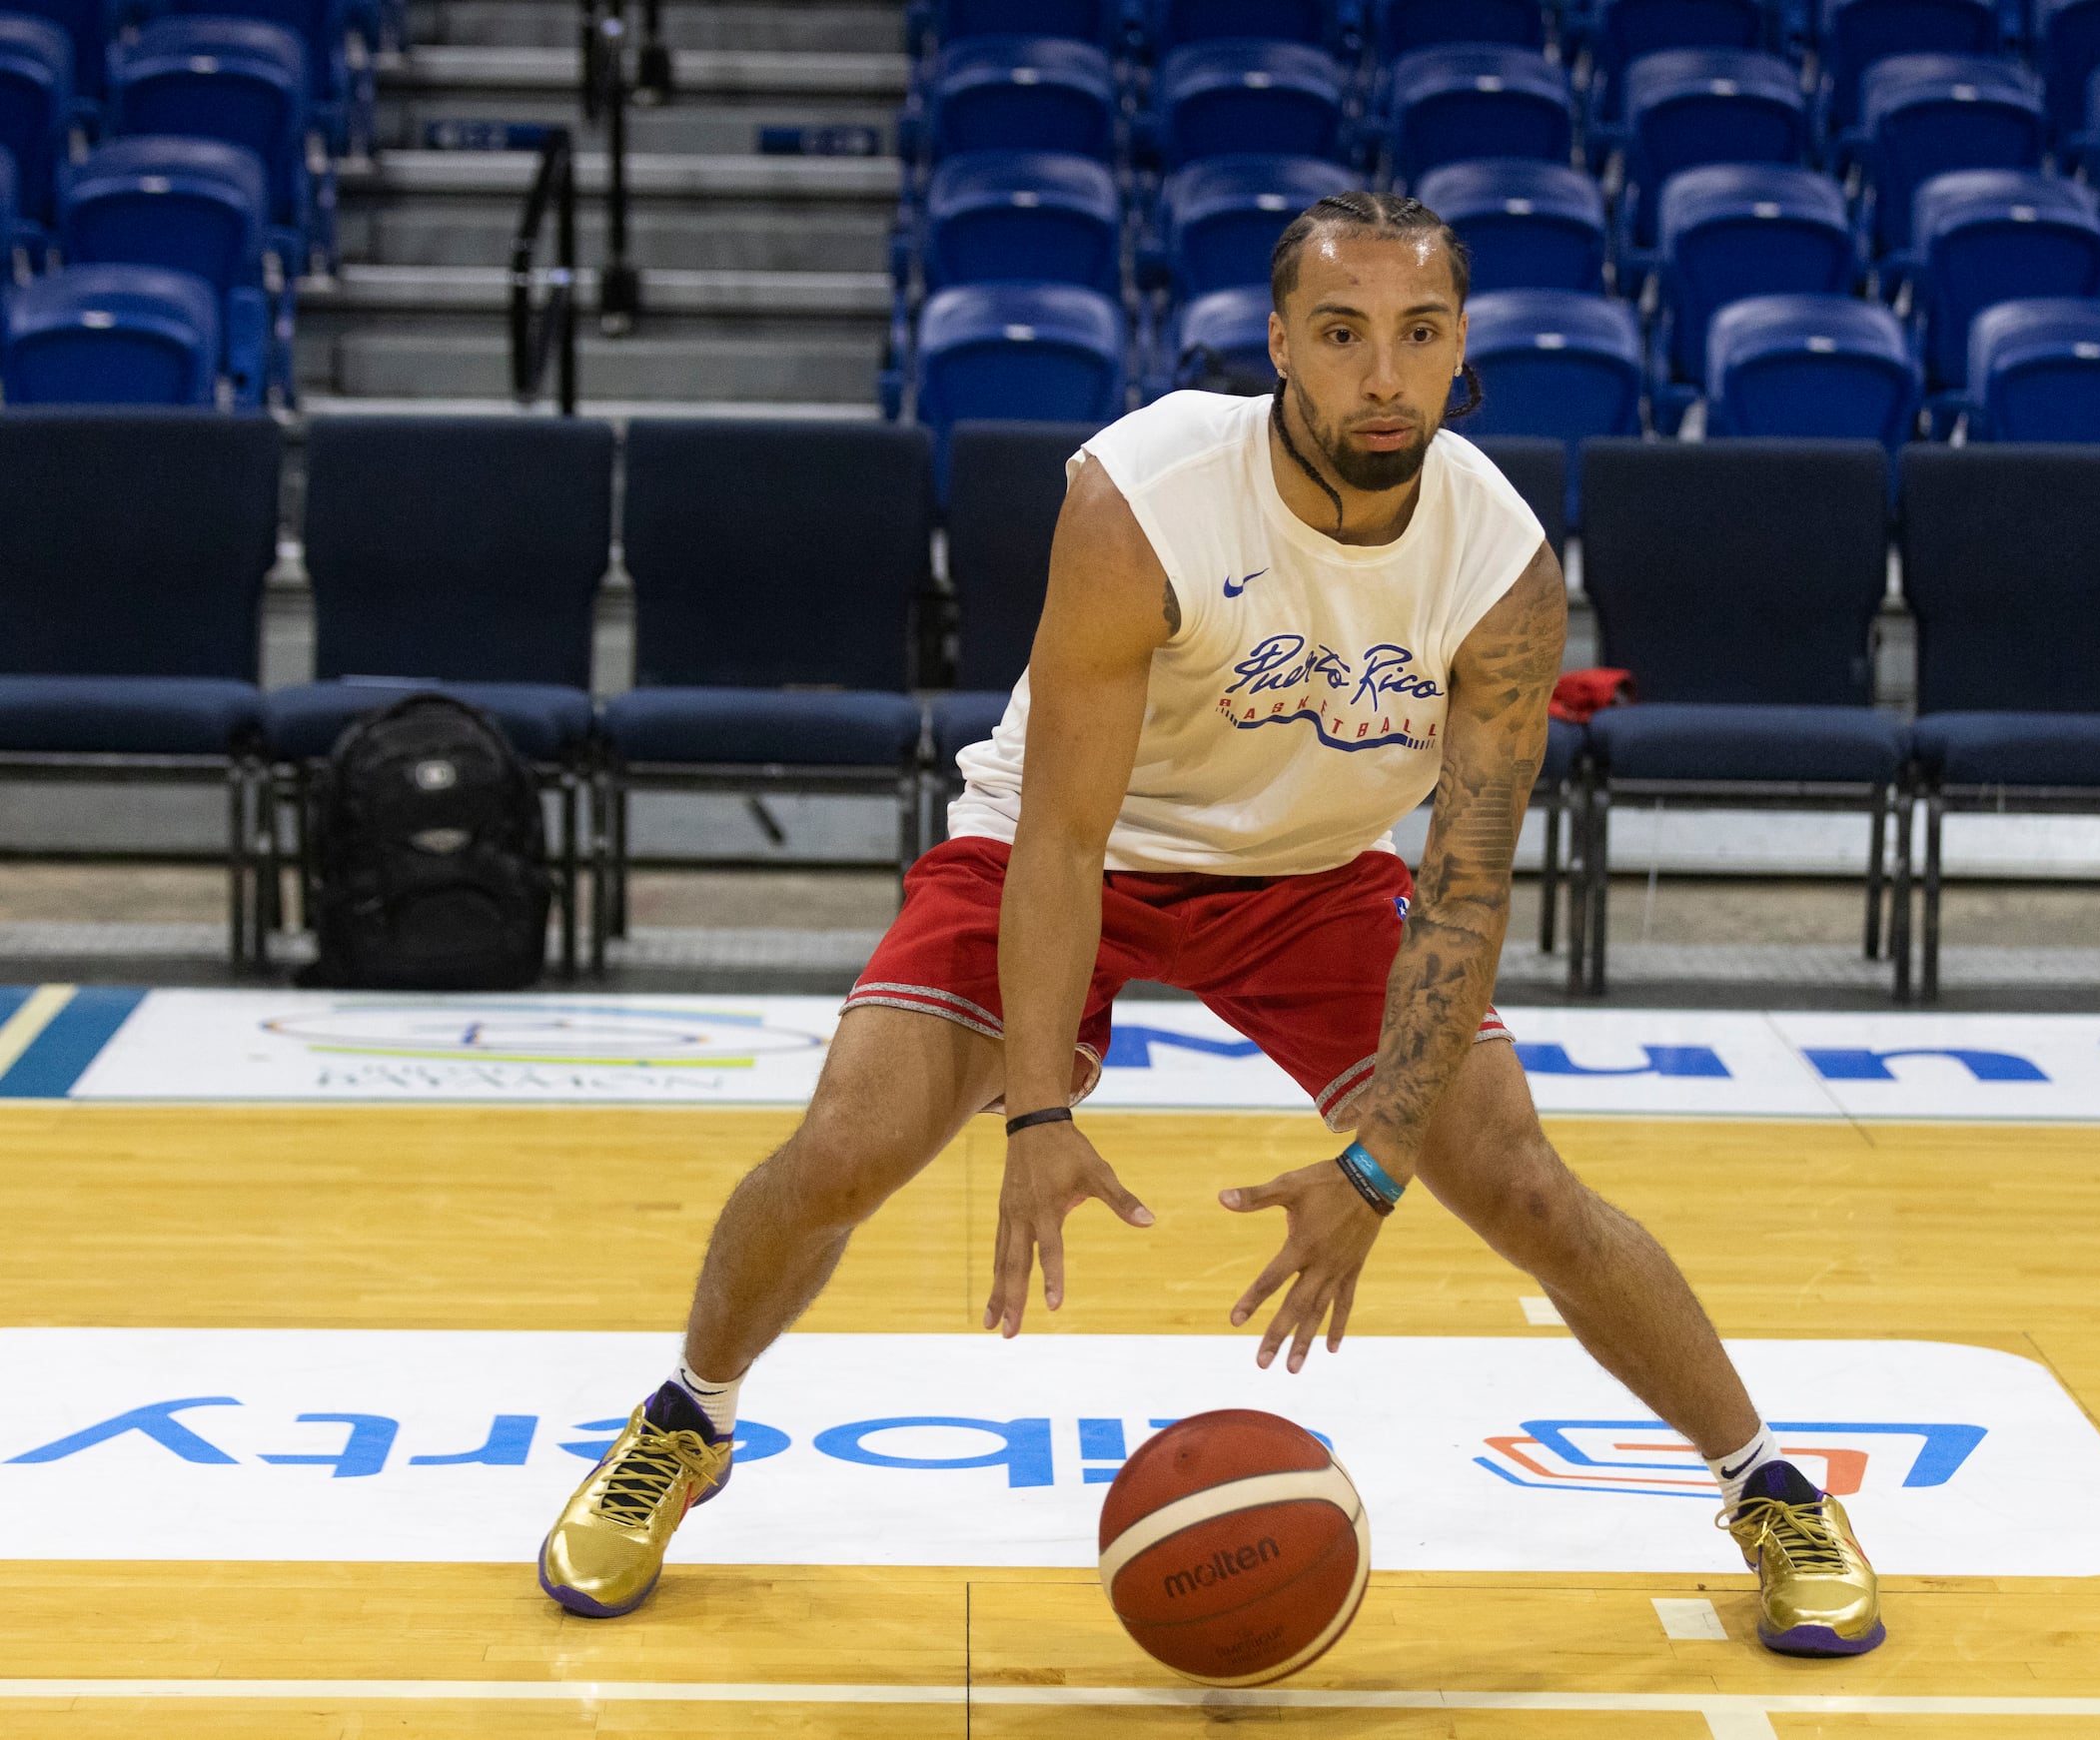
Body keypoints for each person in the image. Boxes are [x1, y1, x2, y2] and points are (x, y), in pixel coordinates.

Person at [537, 192, 1884, 1658]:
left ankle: (1769, 1485)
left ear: (1458, 350)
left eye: (1418, 334)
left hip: (1308, 878)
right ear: (1280, 347)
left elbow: (1467, 886)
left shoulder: (1500, 564)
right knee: (845, 1146)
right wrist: (1037, 1110)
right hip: (1073, 847)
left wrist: (1376, 1168)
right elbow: (1058, 830)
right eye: (1343, 332)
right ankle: (687, 1417)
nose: (1383, 373)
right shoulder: (1146, 493)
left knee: (1526, 1184)